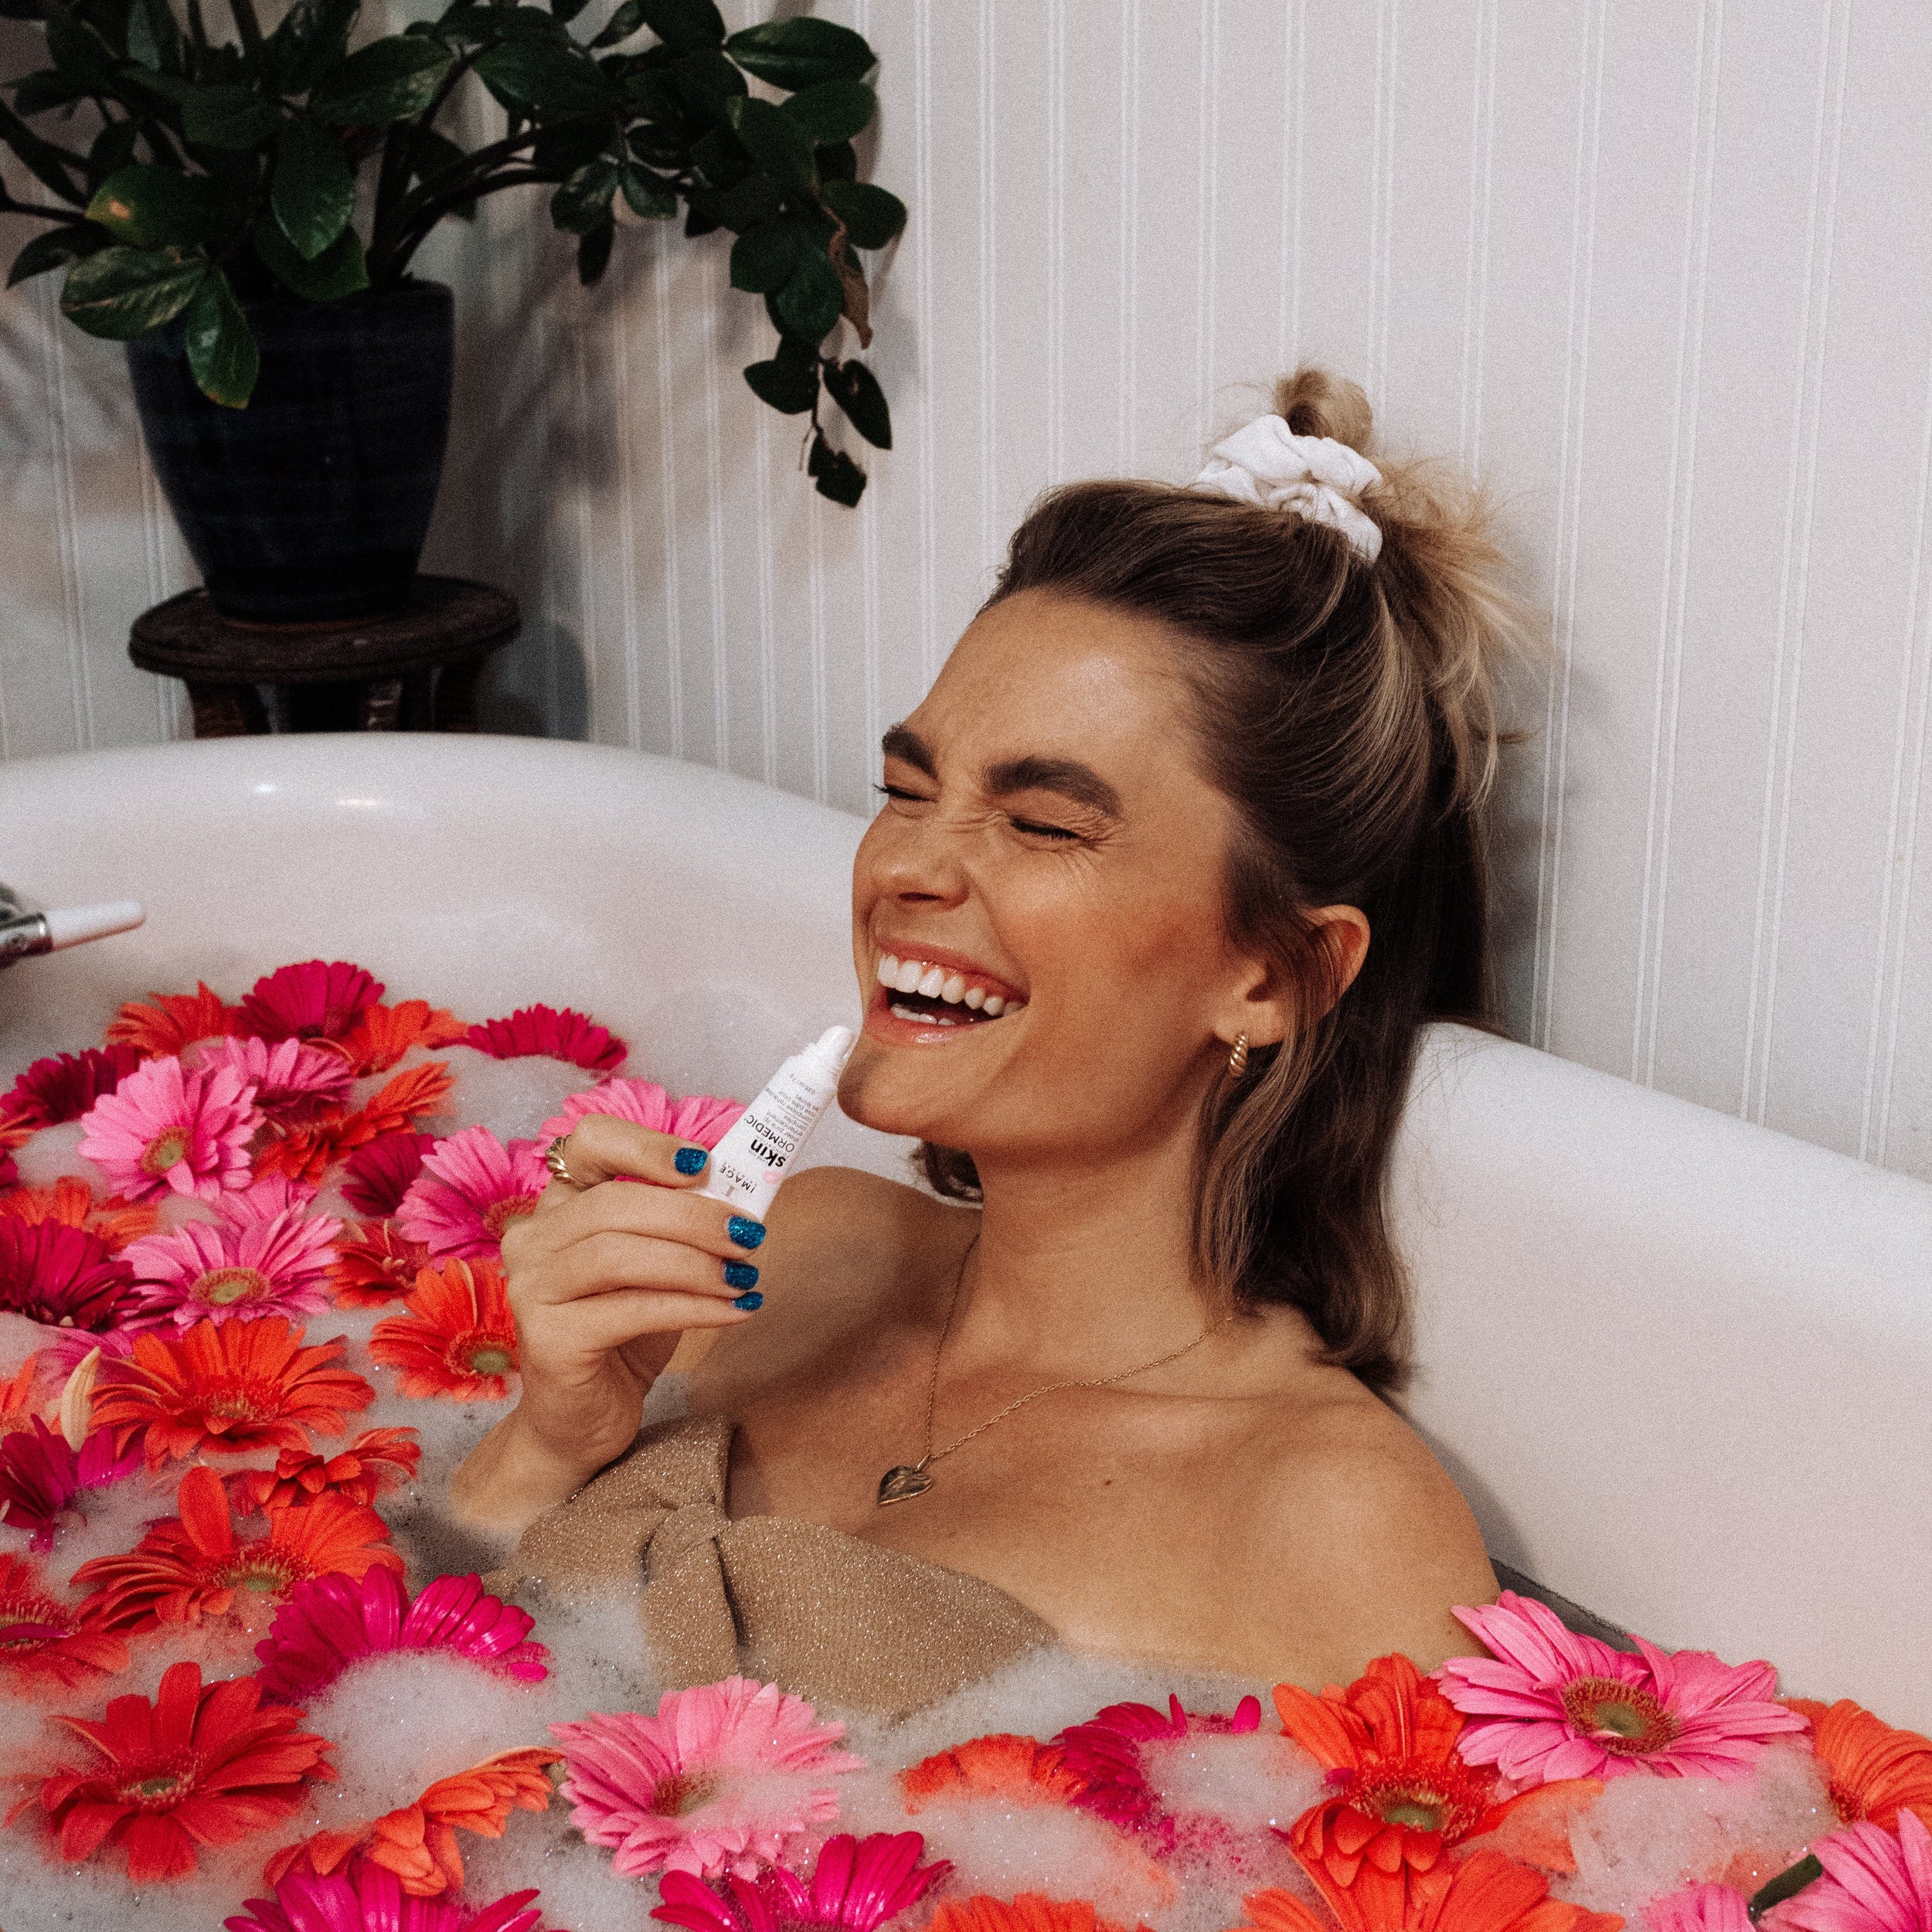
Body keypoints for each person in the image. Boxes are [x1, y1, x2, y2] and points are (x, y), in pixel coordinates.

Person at [452, 367, 1520, 1716]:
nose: (908, 866)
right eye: (907, 790)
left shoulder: (1329, 1524)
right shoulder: (800, 1247)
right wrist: (545, 1443)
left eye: (1046, 825)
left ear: (1279, 974)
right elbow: (407, 1701)